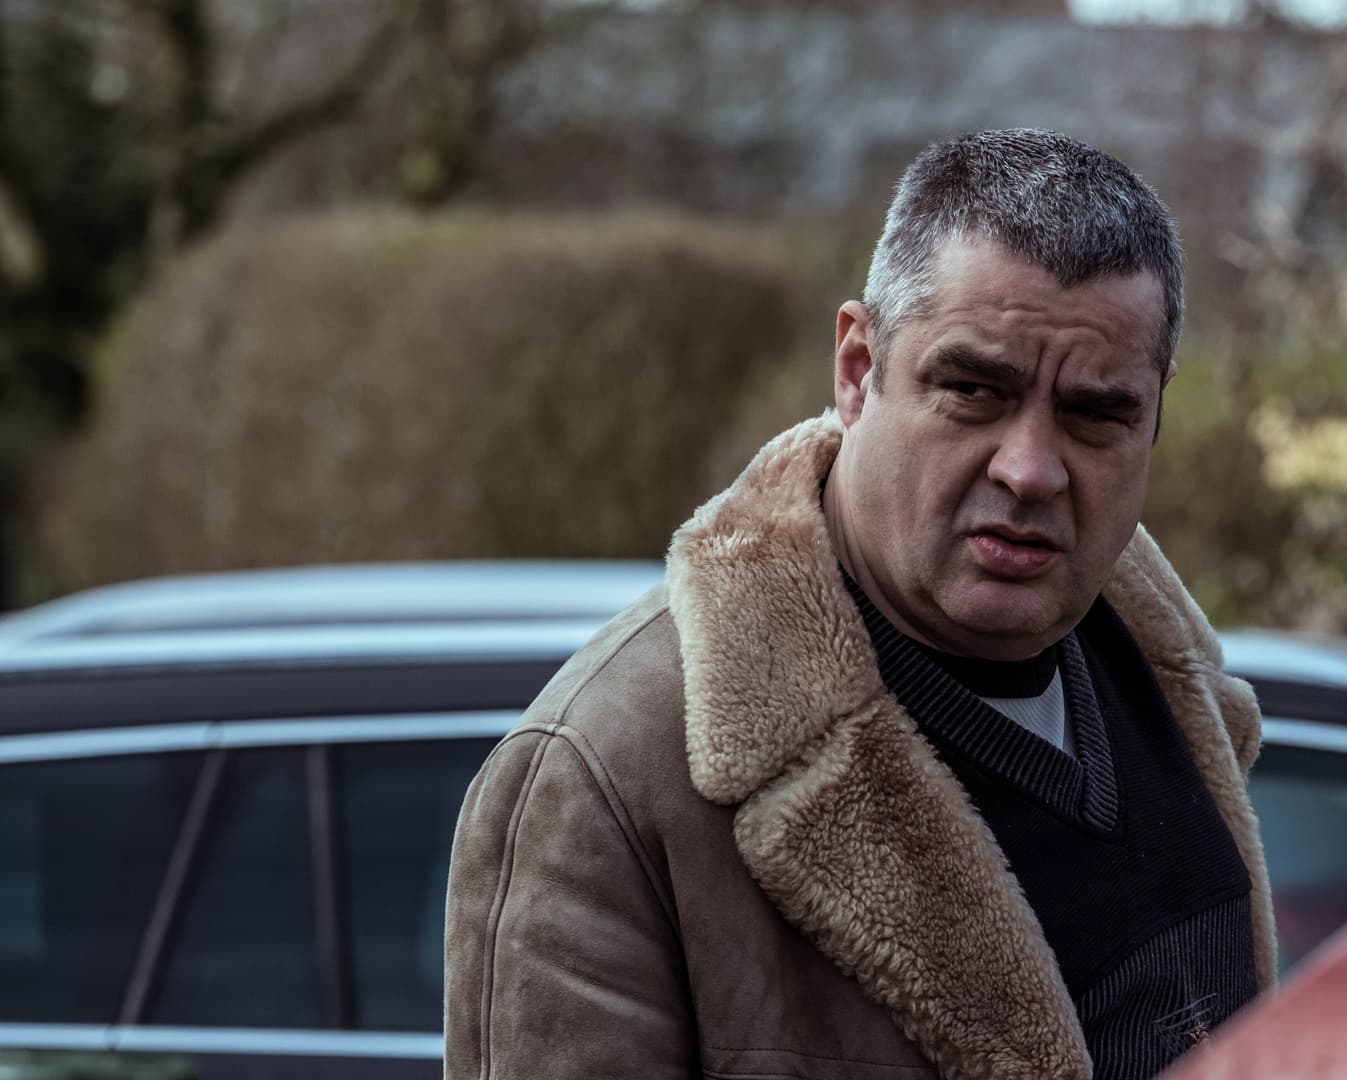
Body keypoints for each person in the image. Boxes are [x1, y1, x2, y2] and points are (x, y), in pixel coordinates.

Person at [442, 129, 1276, 1080]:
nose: (1032, 470)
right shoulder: (605, 773)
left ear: (1154, 414)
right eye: (974, 389)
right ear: (856, 368)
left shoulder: (1166, 686)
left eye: (1095, 414)